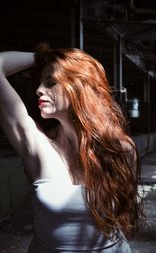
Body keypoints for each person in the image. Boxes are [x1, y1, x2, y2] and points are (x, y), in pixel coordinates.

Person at [0, 43, 143, 252]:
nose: (39, 90)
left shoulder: (120, 149)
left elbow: (124, 214)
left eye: (50, 83)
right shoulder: (37, 145)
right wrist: (44, 57)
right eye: (40, 83)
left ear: (78, 86)